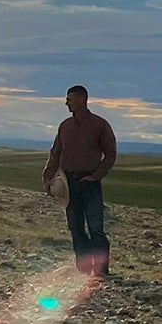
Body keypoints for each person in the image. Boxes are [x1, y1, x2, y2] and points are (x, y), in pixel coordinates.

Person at [41, 85, 116, 276]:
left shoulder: (100, 125)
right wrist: (48, 177)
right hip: (69, 183)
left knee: (95, 228)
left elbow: (110, 154)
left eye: (70, 99)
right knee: (75, 227)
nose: (66, 102)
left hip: (90, 182)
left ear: (82, 100)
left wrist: (96, 176)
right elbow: (56, 152)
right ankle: (83, 270)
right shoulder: (65, 126)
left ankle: (100, 271)